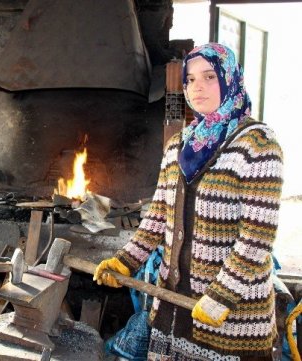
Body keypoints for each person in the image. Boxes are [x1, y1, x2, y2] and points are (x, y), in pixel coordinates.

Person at [94, 43, 283, 361]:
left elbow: (257, 238)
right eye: (190, 80)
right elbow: (157, 216)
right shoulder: (179, 145)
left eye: (209, 76)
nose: (198, 88)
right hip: (171, 310)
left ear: (229, 79)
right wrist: (125, 261)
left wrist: (222, 295)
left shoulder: (257, 145)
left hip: (232, 321)